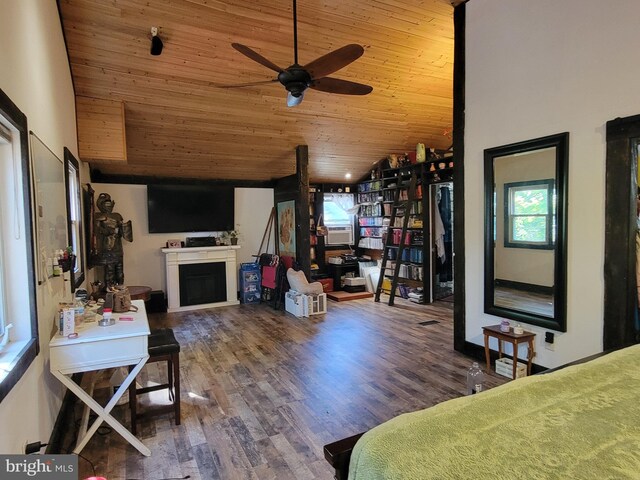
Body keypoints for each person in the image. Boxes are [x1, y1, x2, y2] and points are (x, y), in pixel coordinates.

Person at [93, 193, 133, 287]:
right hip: (107, 247)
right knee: (110, 270)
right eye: (107, 205)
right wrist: (111, 231)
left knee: (120, 270)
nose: (109, 207)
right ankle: (110, 290)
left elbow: (123, 231)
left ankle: (121, 289)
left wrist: (119, 231)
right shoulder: (99, 217)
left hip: (118, 247)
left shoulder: (117, 216)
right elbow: (98, 231)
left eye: (110, 205)